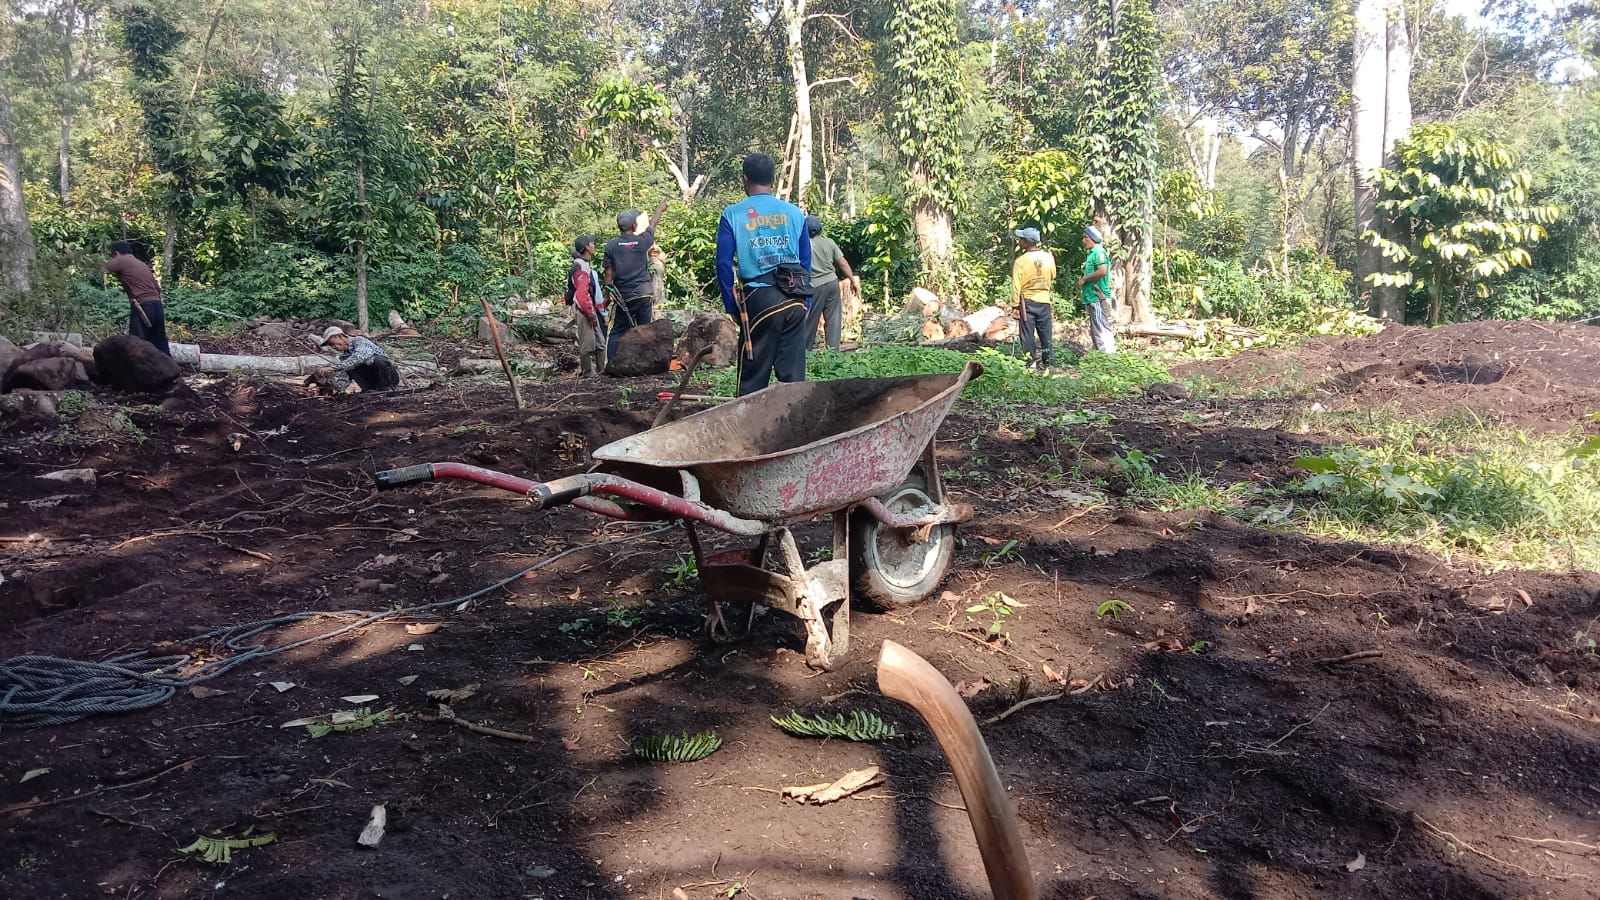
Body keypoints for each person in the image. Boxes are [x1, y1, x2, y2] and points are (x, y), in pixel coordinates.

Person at [715, 152, 812, 397]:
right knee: (792, 380)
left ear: (745, 179)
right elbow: (805, 261)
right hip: (795, 298)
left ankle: (749, 430)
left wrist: (731, 305)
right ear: (772, 179)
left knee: (752, 380)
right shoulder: (794, 213)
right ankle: (795, 429)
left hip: (759, 299)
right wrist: (807, 301)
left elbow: (724, 264)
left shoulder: (733, 214)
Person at [603, 199, 670, 359]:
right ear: (634, 226)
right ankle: (645, 362)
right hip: (643, 294)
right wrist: (659, 209)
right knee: (644, 329)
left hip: (624, 297)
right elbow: (652, 225)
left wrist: (606, 296)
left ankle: (611, 363)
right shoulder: (642, 241)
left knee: (617, 330)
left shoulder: (611, 246)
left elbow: (608, 274)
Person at [802, 215, 859, 352]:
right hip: (832, 284)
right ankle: (833, 353)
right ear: (820, 229)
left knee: (810, 321)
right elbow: (843, 263)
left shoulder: (802, 245)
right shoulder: (829, 242)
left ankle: (804, 352)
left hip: (814, 286)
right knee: (834, 319)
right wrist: (852, 280)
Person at [104, 241, 170, 356]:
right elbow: (157, 288)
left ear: (116, 253)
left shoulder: (121, 260)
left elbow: (100, 267)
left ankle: (138, 371)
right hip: (156, 304)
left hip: (143, 305)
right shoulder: (141, 264)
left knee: (137, 343)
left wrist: (74, 256)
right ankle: (169, 367)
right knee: (159, 340)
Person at [1010, 227, 1056, 369]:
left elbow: (1016, 285)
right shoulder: (1048, 257)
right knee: (1046, 333)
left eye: (1021, 239)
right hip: (1044, 300)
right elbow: (1053, 275)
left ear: (1026, 242)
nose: (1019, 241)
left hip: (1027, 302)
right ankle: (1049, 363)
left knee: (1027, 334)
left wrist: (1014, 304)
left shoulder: (1021, 261)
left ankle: (1031, 362)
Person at [566, 235, 609, 377]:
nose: (594, 245)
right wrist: (591, 315)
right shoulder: (580, 268)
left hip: (590, 308)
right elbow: (581, 295)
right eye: (592, 243)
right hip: (584, 309)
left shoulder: (585, 265)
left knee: (601, 343)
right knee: (587, 344)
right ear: (586, 248)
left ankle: (602, 371)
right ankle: (588, 374)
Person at [317, 326, 400, 391]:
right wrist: (334, 388)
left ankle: (387, 387)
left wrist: (333, 367)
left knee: (379, 361)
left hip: (390, 377)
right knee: (349, 368)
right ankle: (370, 390)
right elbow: (344, 378)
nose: (334, 347)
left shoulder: (359, 341)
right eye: (331, 345)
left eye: (333, 343)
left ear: (340, 336)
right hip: (373, 382)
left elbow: (358, 357)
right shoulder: (344, 358)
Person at [1078, 225, 1117, 353]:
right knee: (1096, 328)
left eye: (1086, 237)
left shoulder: (1099, 253)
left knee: (1102, 327)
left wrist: (1085, 279)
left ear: (1093, 238)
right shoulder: (1092, 253)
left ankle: (1109, 356)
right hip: (1091, 297)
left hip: (1098, 297)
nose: (1083, 240)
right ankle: (1099, 356)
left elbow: (1102, 271)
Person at [647, 244, 667, 310]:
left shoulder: (657, 262)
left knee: (657, 284)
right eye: (653, 252)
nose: (654, 254)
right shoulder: (651, 261)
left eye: (656, 252)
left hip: (657, 282)